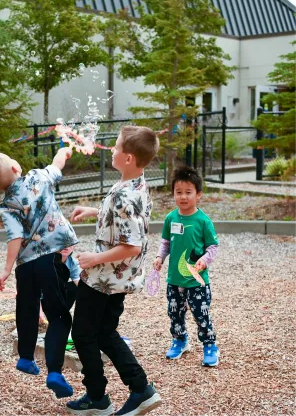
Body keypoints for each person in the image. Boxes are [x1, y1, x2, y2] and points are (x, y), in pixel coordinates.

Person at [67, 126, 162, 416]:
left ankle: (99, 399)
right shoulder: (135, 185)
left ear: (129, 158)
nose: (112, 150)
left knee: (83, 334)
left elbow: (131, 245)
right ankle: (139, 388)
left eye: (117, 147)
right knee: (105, 332)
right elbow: (124, 219)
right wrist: (94, 211)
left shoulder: (125, 195)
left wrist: (94, 258)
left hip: (102, 280)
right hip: (119, 279)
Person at [0, 147, 78, 399]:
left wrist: (7, 268)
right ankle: (54, 372)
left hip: (26, 266)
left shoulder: (6, 204)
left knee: (26, 307)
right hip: (50, 258)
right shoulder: (38, 177)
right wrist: (63, 152)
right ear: (15, 167)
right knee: (58, 317)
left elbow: (15, 237)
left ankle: (25, 357)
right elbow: (57, 165)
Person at [153, 165, 220, 366]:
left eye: (188, 192)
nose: (183, 197)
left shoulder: (203, 221)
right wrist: (159, 257)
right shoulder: (170, 218)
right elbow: (166, 243)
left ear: (198, 194)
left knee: (201, 313)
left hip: (197, 280)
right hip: (174, 279)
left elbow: (213, 247)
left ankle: (210, 345)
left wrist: (205, 259)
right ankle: (180, 340)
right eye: (178, 192)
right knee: (175, 313)